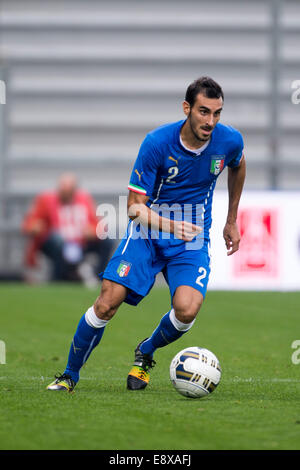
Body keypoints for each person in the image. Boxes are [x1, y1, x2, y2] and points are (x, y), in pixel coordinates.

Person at [47, 77, 246, 392]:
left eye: (217, 113)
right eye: (204, 112)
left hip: (190, 239)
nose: (210, 121)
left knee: (187, 310)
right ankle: (69, 376)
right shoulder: (157, 143)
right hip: (147, 233)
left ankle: (146, 351)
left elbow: (238, 164)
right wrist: (171, 225)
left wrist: (231, 219)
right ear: (187, 108)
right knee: (107, 302)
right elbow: (133, 207)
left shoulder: (229, 140)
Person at [22, 173, 114, 285]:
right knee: (57, 240)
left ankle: (99, 278)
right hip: (57, 244)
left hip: (81, 243)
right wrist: (35, 227)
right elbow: (29, 223)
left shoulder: (84, 199)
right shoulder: (46, 200)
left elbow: (98, 225)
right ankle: (57, 279)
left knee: (107, 240)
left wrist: (92, 231)